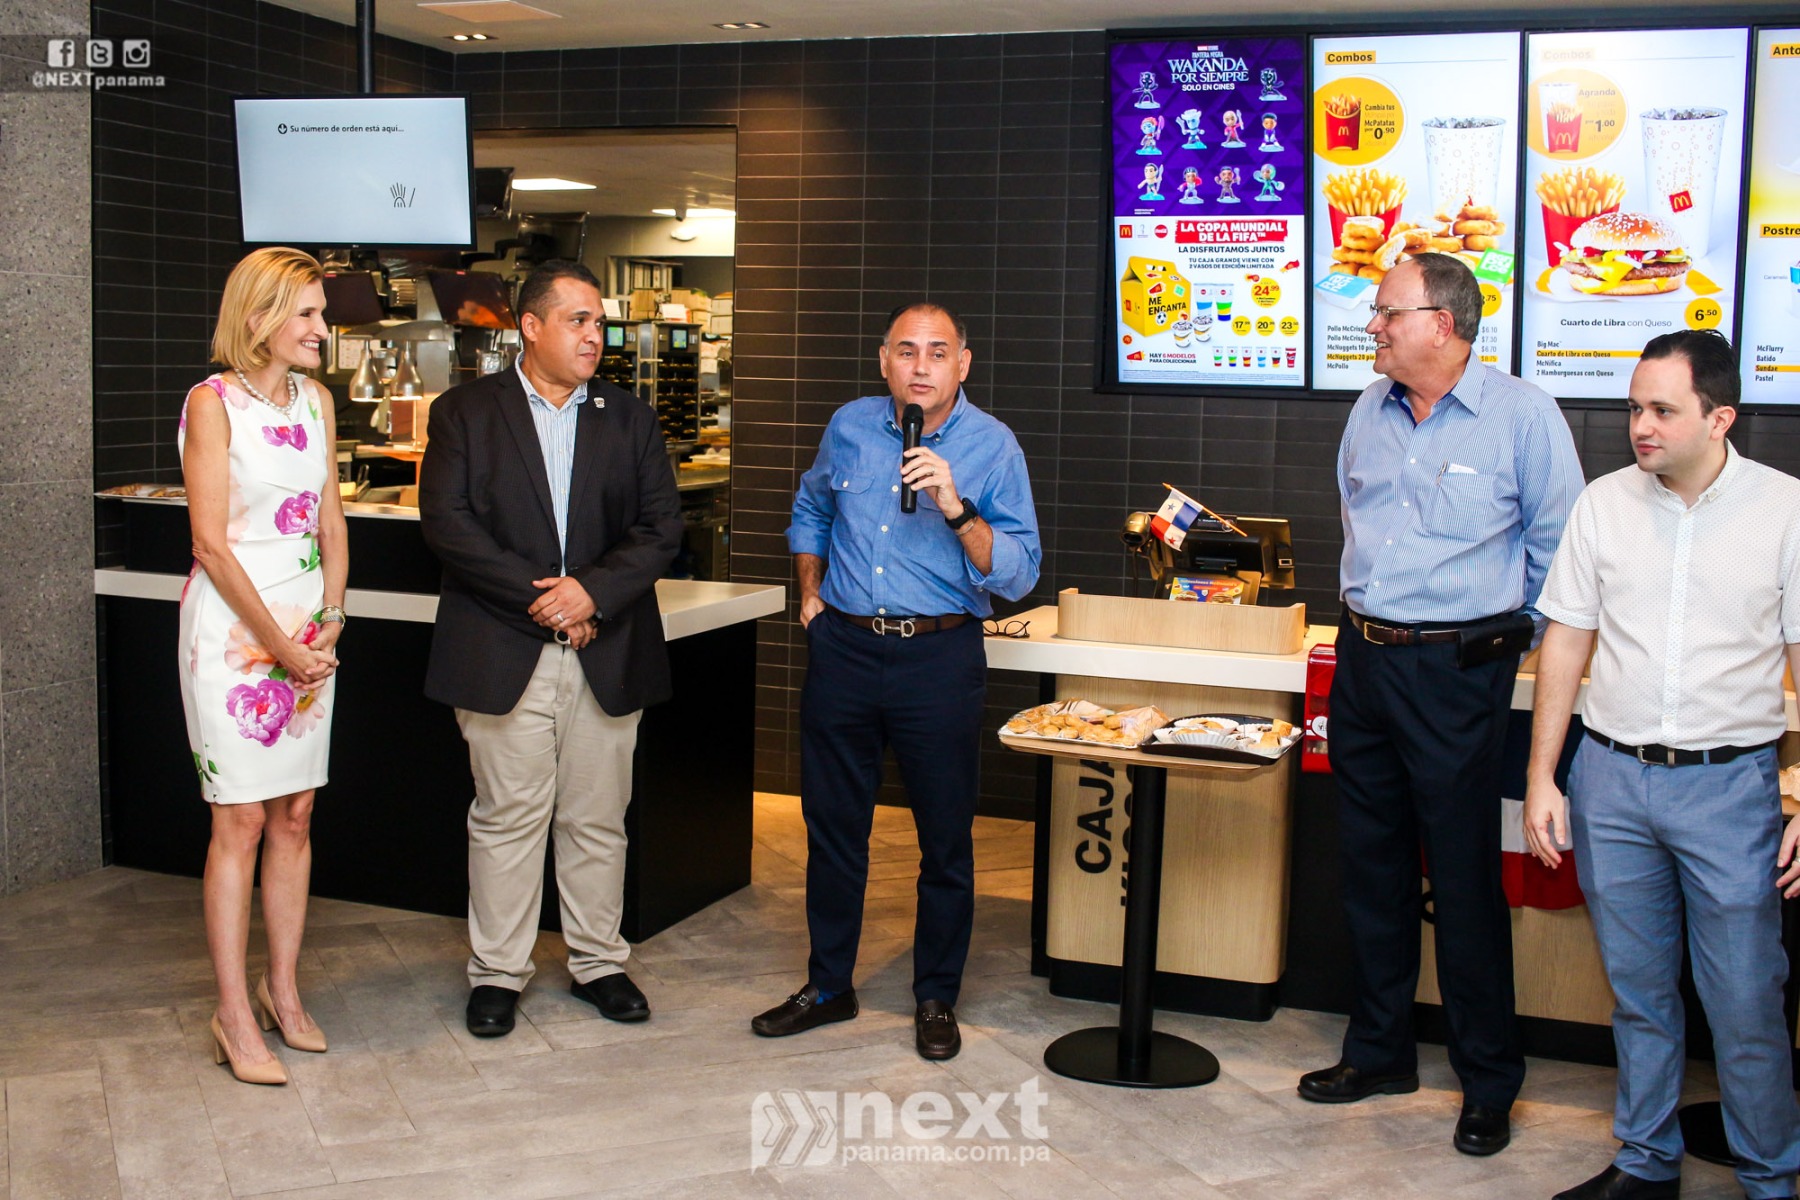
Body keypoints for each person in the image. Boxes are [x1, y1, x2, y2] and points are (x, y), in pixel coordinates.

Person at [1300, 254, 1585, 1154]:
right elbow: (1354, 517)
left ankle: (1488, 1081)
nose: (1373, 326)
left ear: (1443, 323)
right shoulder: (1367, 409)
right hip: (1363, 661)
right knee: (1371, 869)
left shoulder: (1523, 416)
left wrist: (1499, 643)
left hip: (1457, 675)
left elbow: (1562, 555)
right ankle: (1378, 1051)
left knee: (1463, 881)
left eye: (1387, 312)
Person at [1524, 330, 1800, 1200]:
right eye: (1635, 408)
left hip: (1731, 787)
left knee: (1746, 1001)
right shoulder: (1603, 503)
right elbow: (1566, 643)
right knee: (1639, 994)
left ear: (1720, 419)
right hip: (1610, 779)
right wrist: (1543, 776)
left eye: (1663, 411)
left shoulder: (1785, 510)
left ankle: (1771, 1178)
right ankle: (1646, 1164)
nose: (1640, 426)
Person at [752, 302, 1041, 1061]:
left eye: (937, 353)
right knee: (833, 830)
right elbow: (812, 506)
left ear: (962, 365)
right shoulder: (849, 425)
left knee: (944, 840)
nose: (921, 367)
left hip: (937, 659)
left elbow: (1018, 573)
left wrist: (955, 506)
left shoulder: (993, 445)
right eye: (906, 351)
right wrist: (810, 593)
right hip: (844, 651)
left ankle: (935, 996)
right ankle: (828, 986)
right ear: (884, 360)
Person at [419, 260, 682, 1038]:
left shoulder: (629, 418)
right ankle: (498, 974)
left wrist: (590, 593)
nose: (595, 336)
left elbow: (660, 527)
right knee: (507, 818)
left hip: (608, 648)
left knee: (598, 819)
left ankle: (599, 963)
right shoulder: (465, 412)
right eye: (578, 321)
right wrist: (550, 602)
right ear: (530, 327)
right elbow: (449, 524)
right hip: (503, 647)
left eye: (599, 322)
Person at [179, 247, 348, 1085]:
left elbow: (331, 521)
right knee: (240, 821)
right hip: (236, 638)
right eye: (307, 313)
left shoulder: (317, 400)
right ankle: (233, 1014)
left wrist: (332, 618)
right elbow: (210, 544)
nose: (322, 328)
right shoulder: (211, 404)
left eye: (321, 312)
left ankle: (281, 989)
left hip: (309, 633)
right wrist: (281, 648)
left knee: (296, 815)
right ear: (259, 319)